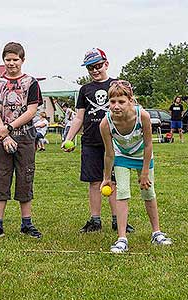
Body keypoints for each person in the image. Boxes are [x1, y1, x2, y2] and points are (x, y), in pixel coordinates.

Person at [61, 48, 134, 233]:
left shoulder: (116, 86)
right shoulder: (85, 90)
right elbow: (79, 118)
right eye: (90, 68)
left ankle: (118, 219)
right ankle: (95, 220)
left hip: (114, 142)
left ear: (106, 64)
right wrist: (68, 138)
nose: (95, 70)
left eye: (98, 66)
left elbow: (130, 110)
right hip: (91, 142)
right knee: (94, 182)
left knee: (114, 182)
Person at [100, 80, 172, 253]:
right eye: (112, 102)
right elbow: (109, 153)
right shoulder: (105, 123)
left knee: (148, 192)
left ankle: (157, 232)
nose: (116, 106)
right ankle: (122, 238)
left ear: (130, 100)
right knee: (122, 193)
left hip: (142, 156)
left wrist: (145, 172)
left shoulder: (143, 116)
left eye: (121, 101)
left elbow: (148, 145)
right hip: (122, 156)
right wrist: (107, 178)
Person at [0, 42, 43, 240]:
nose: (11, 63)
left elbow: (31, 110)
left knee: (25, 177)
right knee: (0, 177)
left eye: (15, 60)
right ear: (3, 60)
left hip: (25, 136)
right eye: (8, 60)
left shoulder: (31, 83)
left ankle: (27, 223)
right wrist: (4, 133)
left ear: (22, 60)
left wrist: (10, 127)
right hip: (1, 138)